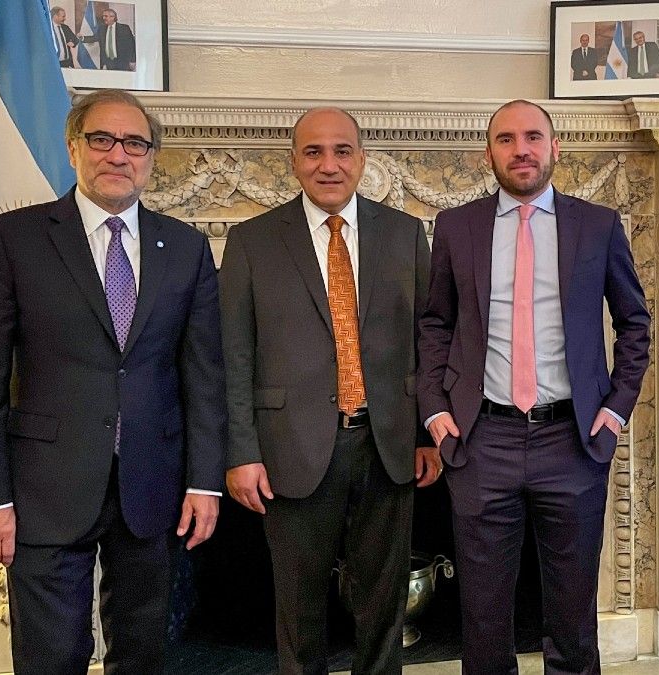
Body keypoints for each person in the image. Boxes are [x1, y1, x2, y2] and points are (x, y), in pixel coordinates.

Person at [0, 89, 227, 674]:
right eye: (102, 139)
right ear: (74, 148)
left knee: (144, 655)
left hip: (153, 489)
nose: (118, 155)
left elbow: (203, 376)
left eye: (134, 143)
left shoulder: (186, 248)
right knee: (52, 657)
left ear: (151, 158)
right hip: (44, 491)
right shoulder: (11, 239)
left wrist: (206, 483)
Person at [417, 99, 651, 675]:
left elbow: (635, 324)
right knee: (484, 611)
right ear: (489, 152)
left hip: (571, 439)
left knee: (572, 612)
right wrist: (437, 417)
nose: (520, 149)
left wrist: (615, 411)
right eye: (505, 139)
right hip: (481, 440)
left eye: (532, 137)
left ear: (554, 148)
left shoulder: (597, 226)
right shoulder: (456, 226)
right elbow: (434, 325)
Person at [220, 107, 439, 674]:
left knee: (383, 605)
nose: (329, 164)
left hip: (387, 446)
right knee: (299, 610)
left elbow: (425, 342)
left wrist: (425, 435)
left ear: (363, 159)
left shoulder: (404, 234)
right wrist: (241, 452)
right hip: (289, 447)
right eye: (313, 152)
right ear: (293, 162)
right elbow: (235, 355)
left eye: (342, 150)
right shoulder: (251, 241)